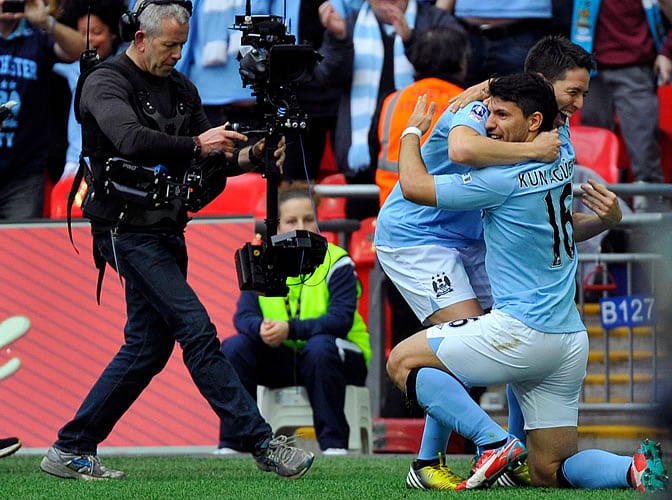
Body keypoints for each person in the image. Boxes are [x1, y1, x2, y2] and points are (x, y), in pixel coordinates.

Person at [39, 1, 314, 481]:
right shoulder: (105, 82)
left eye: (183, 45)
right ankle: (263, 442)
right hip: (124, 229)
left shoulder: (182, 89)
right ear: (140, 39)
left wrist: (251, 155)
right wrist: (198, 144)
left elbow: (209, 159)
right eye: (170, 45)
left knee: (147, 348)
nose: (177, 55)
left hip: (166, 227)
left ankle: (71, 446)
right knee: (197, 330)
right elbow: (129, 139)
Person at [387, 74, 668, 492]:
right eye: (491, 113)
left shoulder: (503, 180)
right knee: (550, 469)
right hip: (568, 341)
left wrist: (411, 131)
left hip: (521, 332)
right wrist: (608, 220)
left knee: (403, 361)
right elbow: (565, 218)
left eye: (503, 115)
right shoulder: (563, 154)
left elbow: (413, 185)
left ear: (535, 121)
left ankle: (493, 442)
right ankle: (634, 468)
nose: (492, 125)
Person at [219, 186, 371, 455]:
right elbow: (243, 317)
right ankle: (234, 444)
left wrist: (289, 330)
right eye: (291, 221)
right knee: (234, 348)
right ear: (276, 228)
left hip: (341, 357)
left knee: (320, 347)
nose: (301, 227)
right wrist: (262, 329)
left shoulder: (337, 261)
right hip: (286, 359)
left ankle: (335, 446)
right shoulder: (263, 263)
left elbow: (340, 320)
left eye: (308, 219)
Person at [315, 0, 461, 219]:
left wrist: (412, 39)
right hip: (363, 158)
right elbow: (326, 77)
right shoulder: (350, 22)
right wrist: (339, 40)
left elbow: (453, 64)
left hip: (423, 160)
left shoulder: (434, 19)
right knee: (362, 235)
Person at [571, 0, 670, 212]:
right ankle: (595, 228)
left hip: (637, 68)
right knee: (590, 159)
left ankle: (652, 232)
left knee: (644, 156)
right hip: (589, 71)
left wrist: (667, 52)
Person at [0, 0, 85, 219]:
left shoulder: (37, 36)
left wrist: (46, 21)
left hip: (24, 175)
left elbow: (81, 50)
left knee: (20, 248)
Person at [54, 0, 128, 181]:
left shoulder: (128, 67)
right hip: (75, 163)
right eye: (81, 34)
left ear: (113, 33)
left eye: (97, 32)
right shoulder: (70, 68)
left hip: (116, 163)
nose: (89, 40)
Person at [442, 0, 552, 87]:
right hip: (466, 31)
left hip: (522, 31)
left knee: (521, 101)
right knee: (457, 103)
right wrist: (438, 16)